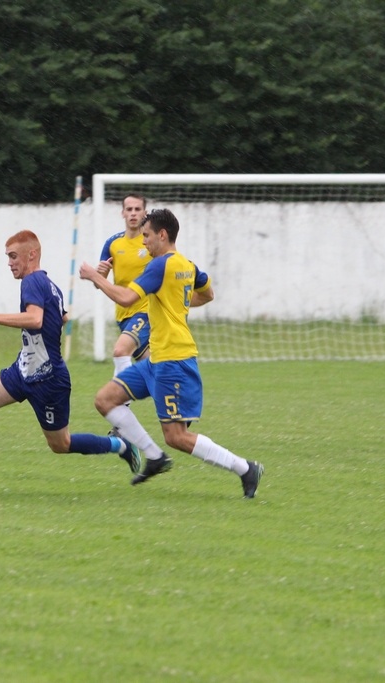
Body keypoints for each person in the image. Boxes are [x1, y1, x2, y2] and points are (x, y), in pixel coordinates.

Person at [0, 230, 142, 490]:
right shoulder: (49, 285)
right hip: (22, 371)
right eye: (8, 257)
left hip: (48, 380)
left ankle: (121, 445)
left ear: (31, 255)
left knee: (61, 444)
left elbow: (35, 319)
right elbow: (62, 318)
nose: (9, 263)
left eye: (13, 256)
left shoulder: (32, 281)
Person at [79, 209, 264, 497]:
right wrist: (177, 304)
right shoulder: (187, 264)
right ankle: (154, 457)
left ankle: (245, 468)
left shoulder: (159, 265)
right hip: (156, 360)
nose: (144, 242)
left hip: (174, 361)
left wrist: (95, 276)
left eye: (147, 236)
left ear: (162, 235)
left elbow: (126, 298)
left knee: (177, 437)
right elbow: (207, 294)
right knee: (105, 399)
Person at [97, 194, 153, 378]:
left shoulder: (151, 242)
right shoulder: (112, 244)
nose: (133, 213)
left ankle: (121, 392)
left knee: (121, 351)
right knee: (150, 366)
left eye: (137, 209)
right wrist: (100, 273)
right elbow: (99, 283)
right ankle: (172, 389)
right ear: (123, 213)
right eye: (129, 209)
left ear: (145, 213)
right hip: (123, 315)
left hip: (146, 312)